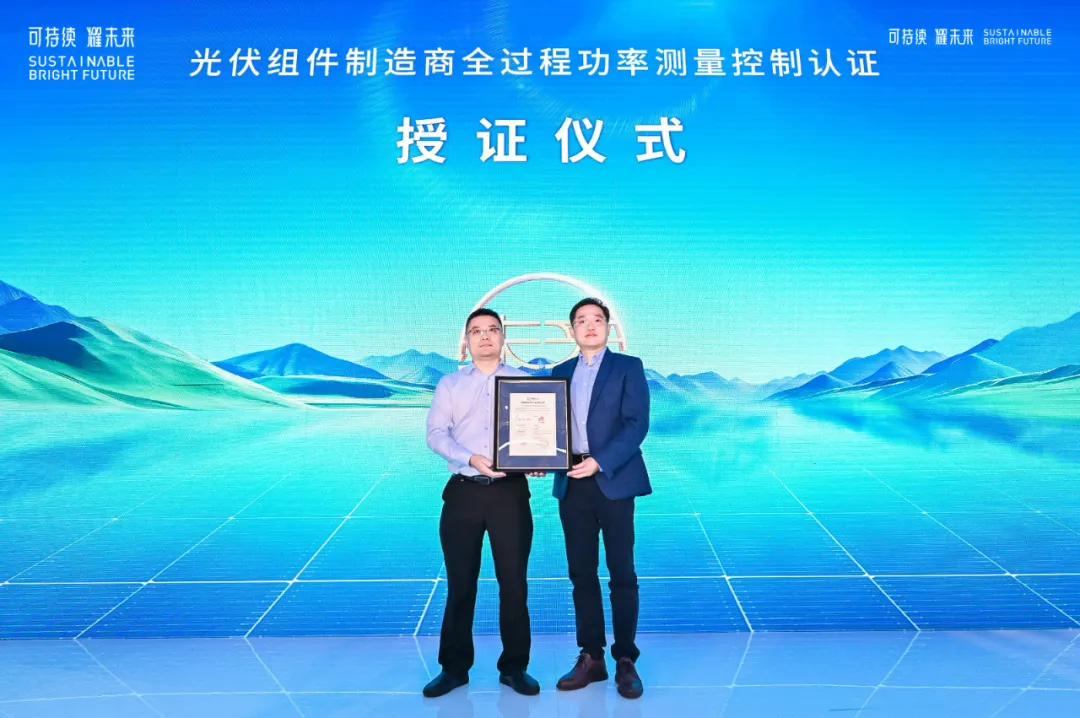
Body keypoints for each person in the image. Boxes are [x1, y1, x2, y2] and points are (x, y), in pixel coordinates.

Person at [422, 307, 541, 698]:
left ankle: (514, 667)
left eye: (492, 329)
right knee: (460, 584)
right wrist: (470, 458)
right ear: (467, 341)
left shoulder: (526, 383)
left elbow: (541, 434)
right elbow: (436, 434)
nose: (485, 336)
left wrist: (539, 458)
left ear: (504, 337)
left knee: (514, 584)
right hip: (463, 491)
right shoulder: (450, 384)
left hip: (510, 493)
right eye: (476, 331)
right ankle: (454, 668)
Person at [551, 297, 651, 699]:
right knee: (581, 573)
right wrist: (538, 458)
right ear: (571, 330)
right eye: (581, 320)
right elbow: (546, 427)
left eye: (597, 319)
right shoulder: (559, 372)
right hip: (571, 481)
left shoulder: (628, 367)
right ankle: (591, 657)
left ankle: (625, 659)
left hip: (613, 479)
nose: (589, 325)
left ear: (608, 327)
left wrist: (600, 461)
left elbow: (636, 425)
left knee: (622, 573)